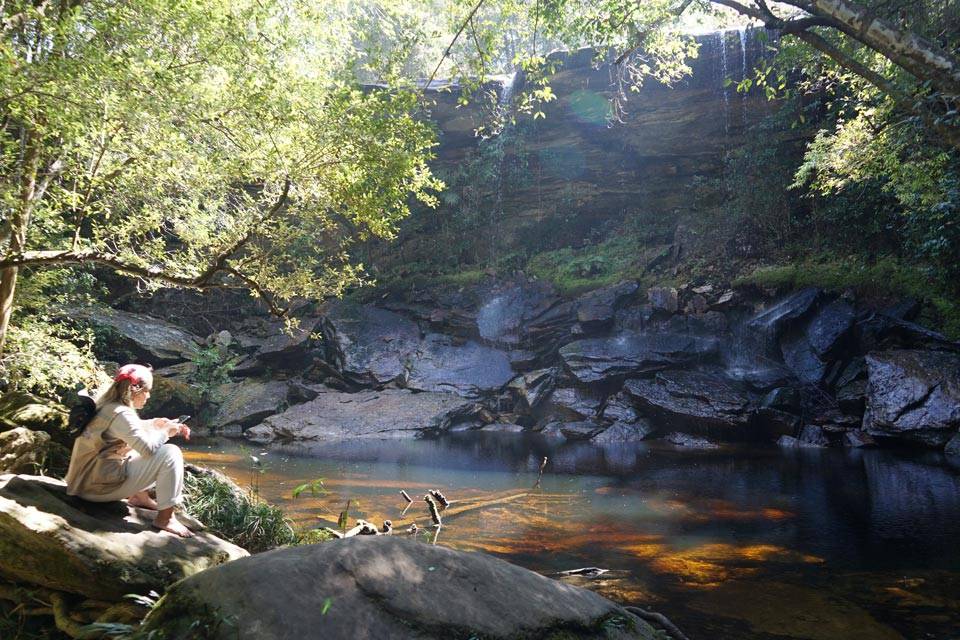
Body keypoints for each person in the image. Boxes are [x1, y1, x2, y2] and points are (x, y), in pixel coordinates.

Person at [65, 363, 194, 537]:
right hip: (94, 489)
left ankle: (139, 498)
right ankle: (165, 518)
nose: (148, 396)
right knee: (170, 453)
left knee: (136, 448)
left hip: (82, 482)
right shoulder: (122, 414)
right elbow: (147, 449)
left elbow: (124, 431)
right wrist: (166, 432)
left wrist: (154, 424)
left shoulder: (107, 404)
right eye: (147, 391)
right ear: (135, 389)